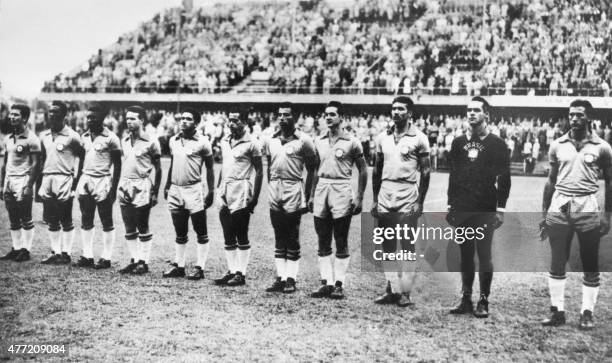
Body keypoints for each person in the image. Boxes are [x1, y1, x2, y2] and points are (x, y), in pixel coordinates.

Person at [540, 99, 611, 330]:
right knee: (557, 259)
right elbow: (550, 181)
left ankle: (587, 313)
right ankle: (557, 311)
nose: (574, 119)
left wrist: (607, 215)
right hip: (561, 204)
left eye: (580, 115)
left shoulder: (602, 146)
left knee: (589, 261)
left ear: (589, 117)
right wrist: (544, 213)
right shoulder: (558, 144)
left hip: (586, 204)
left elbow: (610, 182)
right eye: (571, 115)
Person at [447, 96, 510, 318]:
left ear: (486, 115)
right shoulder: (457, 142)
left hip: (485, 207)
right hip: (463, 207)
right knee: (464, 255)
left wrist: (500, 209)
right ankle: (465, 298)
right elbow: (453, 176)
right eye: (469, 110)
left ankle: (483, 300)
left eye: (476, 110)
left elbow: (504, 178)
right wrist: (450, 204)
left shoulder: (497, 143)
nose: (471, 114)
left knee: (484, 254)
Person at [371, 96, 431, 307]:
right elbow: (376, 171)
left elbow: (425, 172)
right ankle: (392, 289)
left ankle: (405, 292)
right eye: (393, 108)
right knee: (387, 244)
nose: (396, 112)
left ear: (410, 113)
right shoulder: (381, 138)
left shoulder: (419, 138)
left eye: (401, 109)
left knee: (406, 245)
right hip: (386, 195)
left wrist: (419, 202)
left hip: (407, 195)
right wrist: (375, 199)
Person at [309, 101, 367, 299]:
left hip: (341, 188)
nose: (328, 117)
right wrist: (311, 194)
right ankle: (326, 282)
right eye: (326, 114)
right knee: (322, 238)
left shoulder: (352, 141)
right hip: (322, 188)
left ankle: (339, 284)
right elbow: (315, 169)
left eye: (333, 114)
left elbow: (363, 169)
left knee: (341, 238)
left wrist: (359, 196)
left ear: (341, 118)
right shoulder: (319, 140)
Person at [262, 102, 317, 294]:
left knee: (292, 234)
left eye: (286, 115)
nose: (282, 118)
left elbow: (312, 169)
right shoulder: (271, 140)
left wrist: (308, 194)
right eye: (280, 115)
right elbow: (269, 165)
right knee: (278, 234)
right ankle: (280, 277)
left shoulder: (304, 140)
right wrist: (271, 185)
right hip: (275, 187)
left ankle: (291, 279)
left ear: (295, 117)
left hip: (293, 187)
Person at [162, 108, 214, 280]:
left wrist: (211, 191)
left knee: (200, 229)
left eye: (188, 119)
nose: (183, 121)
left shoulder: (203, 142)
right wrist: (168, 184)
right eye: (182, 118)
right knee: (180, 229)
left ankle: (200, 267)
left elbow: (210, 167)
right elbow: (172, 163)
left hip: (193, 189)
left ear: (196, 123)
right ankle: (180, 265)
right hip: (176, 189)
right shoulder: (173, 140)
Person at [213, 108, 263, 286]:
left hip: (241, 188)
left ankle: (241, 273)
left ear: (244, 123)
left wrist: (254, 198)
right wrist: (219, 189)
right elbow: (225, 166)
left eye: (236, 121)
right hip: (225, 188)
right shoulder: (225, 140)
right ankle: (232, 270)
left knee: (241, 231)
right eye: (230, 120)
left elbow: (259, 171)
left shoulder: (252, 143)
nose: (232, 124)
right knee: (227, 232)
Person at [73, 105, 122, 269]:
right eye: (88, 117)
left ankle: (106, 257)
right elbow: (81, 160)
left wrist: (114, 189)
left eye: (93, 117)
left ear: (102, 118)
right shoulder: (84, 136)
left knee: (106, 219)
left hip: (102, 179)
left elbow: (118, 165)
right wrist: (77, 180)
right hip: (86, 178)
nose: (90, 120)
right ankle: (87, 255)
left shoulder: (111, 138)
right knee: (86, 217)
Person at [38, 101, 85, 265]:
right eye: (50, 112)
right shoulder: (43, 135)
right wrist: (39, 183)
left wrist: (76, 181)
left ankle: (66, 253)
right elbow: (42, 159)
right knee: (51, 218)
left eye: (56, 112)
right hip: (47, 178)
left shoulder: (72, 136)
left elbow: (82, 157)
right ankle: (55, 252)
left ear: (64, 115)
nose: (52, 115)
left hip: (64, 178)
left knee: (66, 217)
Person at [117, 106, 162, 275]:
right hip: (125, 184)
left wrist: (155, 191)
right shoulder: (124, 140)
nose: (129, 122)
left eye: (133, 118)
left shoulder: (151, 141)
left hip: (142, 185)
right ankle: (134, 259)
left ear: (142, 120)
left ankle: (144, 262)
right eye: (127, 118)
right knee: (129, 225)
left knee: (142, 224)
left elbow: (158, 168)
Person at [0, 104, 41, 262]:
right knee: (13, 217)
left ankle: (26, 249)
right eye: (11, 114)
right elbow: (4, 163)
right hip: (9, 180)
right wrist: (2, 183)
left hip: (23, 180)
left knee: (26, 216)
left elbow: (37, 164)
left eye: (16, 115)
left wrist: (29, 185)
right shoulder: (8, 139)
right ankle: (16, 248)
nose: (12, 117)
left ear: (24, 118)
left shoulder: (32, 139)